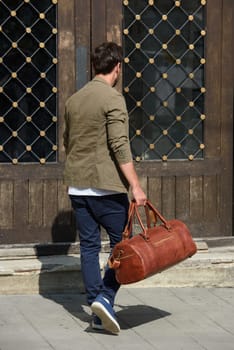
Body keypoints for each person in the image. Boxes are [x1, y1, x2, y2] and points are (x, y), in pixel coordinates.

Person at [63, 42, 146, 334]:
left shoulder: (74, 100)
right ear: (118, 67)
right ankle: (105, 298)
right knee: (123, 247)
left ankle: (97, 311)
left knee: (88, 247)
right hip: (107, 189)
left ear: (94, 67)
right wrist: (135, 185)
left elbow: (67, 142)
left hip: (78, 188)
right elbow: (119, 144)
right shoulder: (113, 98)